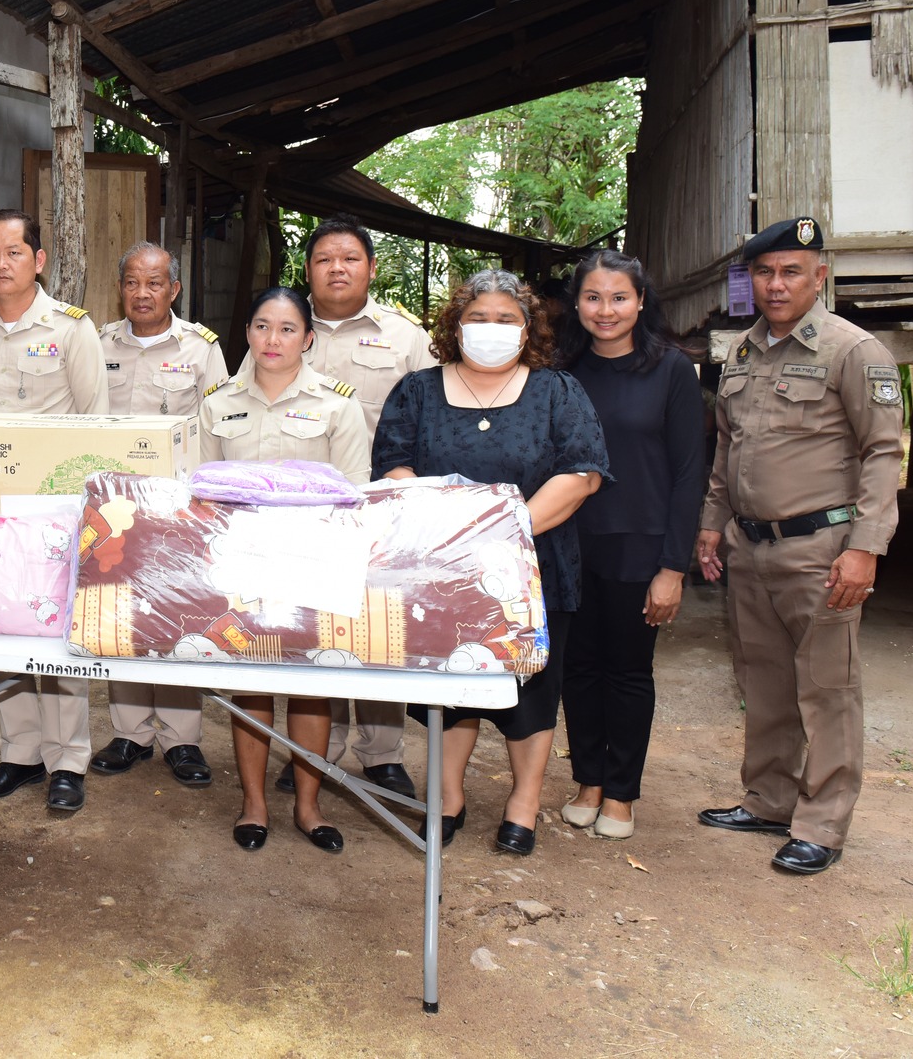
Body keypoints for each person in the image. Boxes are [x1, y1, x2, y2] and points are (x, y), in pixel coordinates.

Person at [373, 269, 609, 856]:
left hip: (534, 563)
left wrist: (505, 530)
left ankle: (523, 802)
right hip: (440, 568)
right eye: (478, 317)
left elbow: (582, 474)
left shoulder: (559, 391)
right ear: (456, 324)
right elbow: (392, 466)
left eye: (506, 319)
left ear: (528, 330)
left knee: (530, 685)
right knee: (449, 687)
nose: (491, 328)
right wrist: (454, 531)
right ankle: (447, 796)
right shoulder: (418, 390)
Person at [695, 218, 902, 875]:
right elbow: (728, 449)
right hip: (751, 546)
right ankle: (768, 799)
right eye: (764, 271)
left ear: (819, 276)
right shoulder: (743, 353)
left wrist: (865, 546)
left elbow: (881, 454)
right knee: (765, 682)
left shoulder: (853, 350)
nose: (776, 284)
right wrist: (711, 522)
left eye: (791, 271)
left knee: (827, 688)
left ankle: (822, 823)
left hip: (822, 548)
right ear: (749, 279)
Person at [0, 208, 107, 813]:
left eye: (14, 252)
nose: (0, 263)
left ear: (38, 260)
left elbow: (97, 422)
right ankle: (20, 752)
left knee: (59, 636)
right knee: (0, 625)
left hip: (55, 513)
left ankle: (68, 760)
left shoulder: (71, 328)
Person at [199, 287, 371, 853]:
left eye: (288, 329)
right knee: (250, 684)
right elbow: (199, 488)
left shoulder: (337, 404)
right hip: (241, 566)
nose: (273, 340)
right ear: (246, 332)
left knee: (310, 687)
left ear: (308, 338)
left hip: (312, 567)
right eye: (262, 327)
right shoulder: (217, 402)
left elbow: (355, 493)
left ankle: (308, 805)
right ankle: (253, 803)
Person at [557, 251, 705, 840]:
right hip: (569, 540)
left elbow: (690, 473)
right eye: (593, 297)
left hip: (639, 544)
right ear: (577, 304)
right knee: (578, 667)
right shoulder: (560, 371)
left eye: (619, 297)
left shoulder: (671, 370)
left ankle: (620, 791)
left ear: (641, 302)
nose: (606, 310)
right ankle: (588, 779)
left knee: (628, 670)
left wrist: (673, 566)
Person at [299, 216, 436, 800]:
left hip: (379, 508)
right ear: (307, 269)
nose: (337, 268)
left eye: (350, 258)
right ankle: (311, 754)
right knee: (309, 628)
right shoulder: (282, 323)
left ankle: (381, 755)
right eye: (325, 258)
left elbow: (436, 416)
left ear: (371, 268)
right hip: (301, 513)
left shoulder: (404, 335)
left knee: (377, 630)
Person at [91, 242, 228, 790]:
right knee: (118, 615)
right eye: (131, 282)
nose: (141, 293)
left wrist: (210, 507)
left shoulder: (200, 349)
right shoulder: (97, 343)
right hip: (113, 508)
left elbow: (217, 423)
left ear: (173, 289)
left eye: (154, 283)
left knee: (176, 615)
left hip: (176, 510)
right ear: (119, 287)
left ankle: (181, 737)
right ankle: (129, 732)